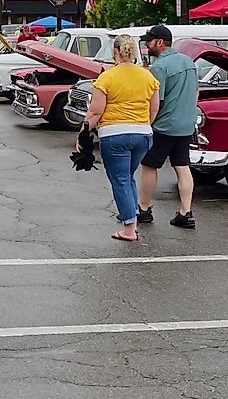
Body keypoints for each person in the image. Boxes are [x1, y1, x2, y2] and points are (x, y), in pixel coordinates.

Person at [82, 34, 159, 242]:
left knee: (121, 179)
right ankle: (133, 218)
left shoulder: (106, 77)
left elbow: (96, 112)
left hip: (114, 134)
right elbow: (154, 110)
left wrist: (83, 133)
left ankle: (129, 227)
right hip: (143, 134)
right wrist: (143, 125)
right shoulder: (148, 77)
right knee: (128, 176)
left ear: (115, 52)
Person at [138, 25, 198, 229]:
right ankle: (186, 212)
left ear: (160, 42)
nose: (147, 45)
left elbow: (157, 101)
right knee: (182, 166)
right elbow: (195, 94)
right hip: (186, 124)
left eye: (150, 41)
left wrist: (146, 122)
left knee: (149, 165)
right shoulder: (190, 63)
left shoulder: (159, 68)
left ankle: (144, 209)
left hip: (164, 126)